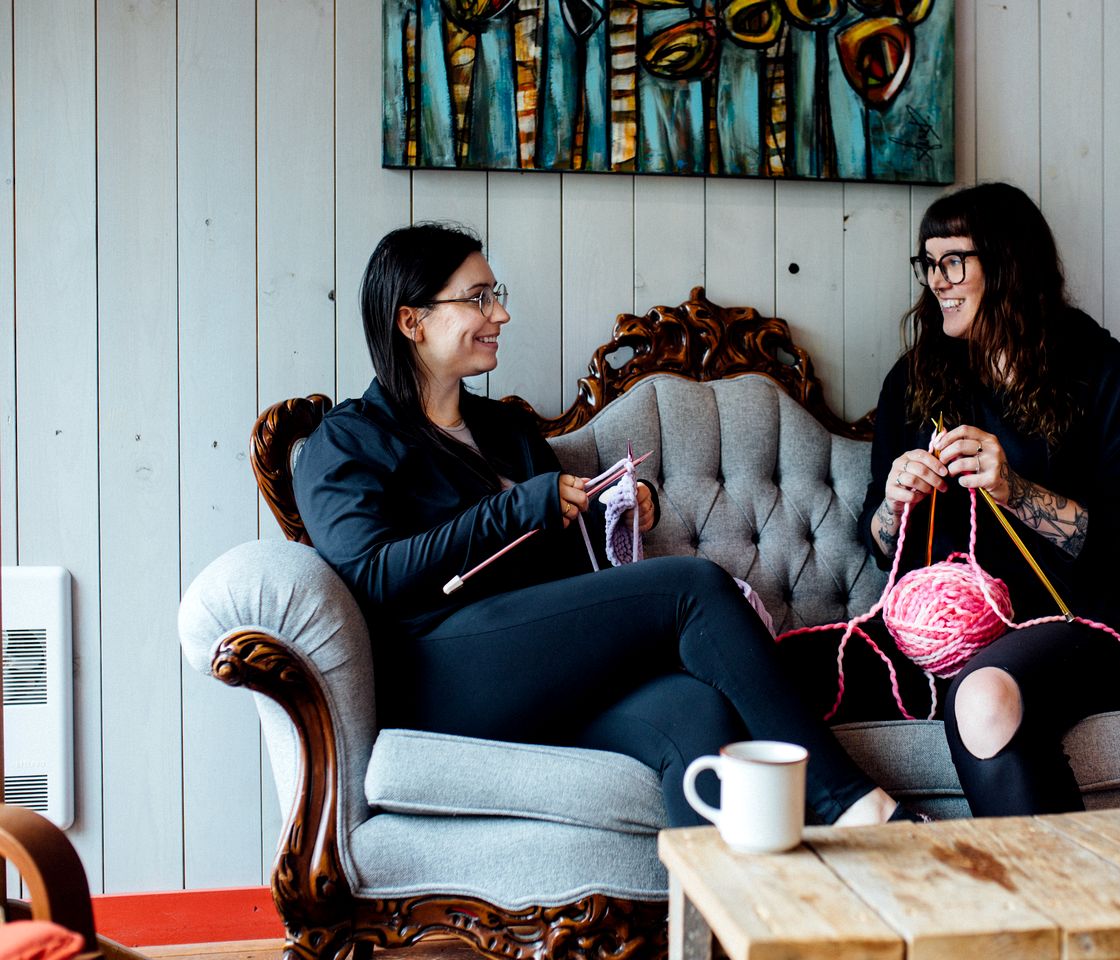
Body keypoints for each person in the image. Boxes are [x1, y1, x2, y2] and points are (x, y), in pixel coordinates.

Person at [293, 222, 911, 828]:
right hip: (443, 675)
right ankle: (850, 802)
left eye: (496, 296)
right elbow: (372, 576)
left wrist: (618, 508)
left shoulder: (504, 429)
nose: (499, 315)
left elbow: (564, 562)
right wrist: (514, 509)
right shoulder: (347, 441)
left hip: (545, 664)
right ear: (412, 321)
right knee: (691, 588)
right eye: (478, 298)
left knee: (698, 714)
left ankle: (710, 926)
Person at [807, 182, 1120, 816]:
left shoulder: (1107, 374)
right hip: (943, 630)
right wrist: (895, 505)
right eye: (928, 264)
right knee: (772, 676)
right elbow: (877, 543)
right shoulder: (917, 379)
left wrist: (1017, 490)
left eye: (954, 261)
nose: (937, 281)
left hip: (1075, 623)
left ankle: (1054, 911)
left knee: (983, 697)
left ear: (1007, 264)